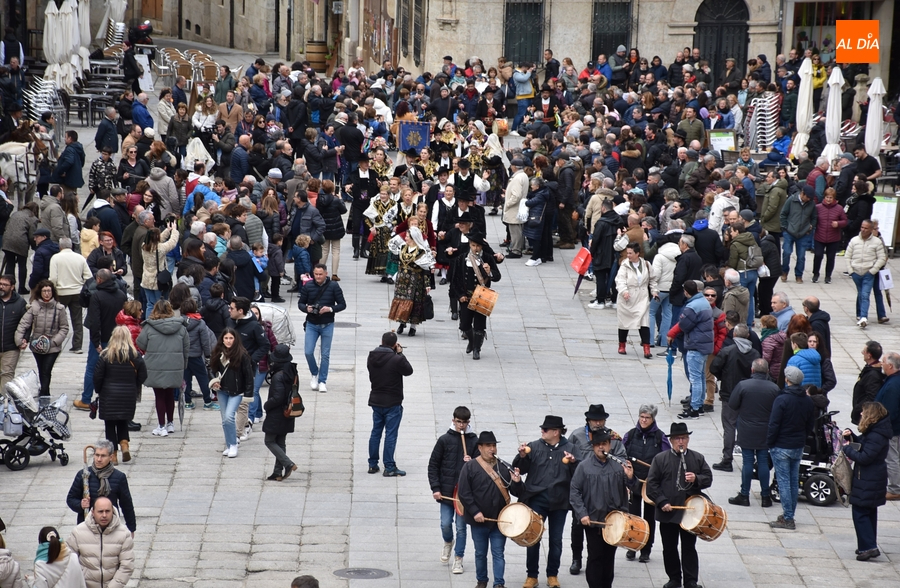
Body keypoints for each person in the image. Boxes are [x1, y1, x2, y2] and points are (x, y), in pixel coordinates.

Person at [645, 422, 713, 588]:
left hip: (690, 512)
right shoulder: (660, 459)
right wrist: (662, 501)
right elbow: (651, 484)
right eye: (676, 439)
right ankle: (674, 578)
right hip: (668, 511)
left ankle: (691, 580)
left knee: (689, 547)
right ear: (671, 441)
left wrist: (697, 478)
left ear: (688, 440)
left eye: (683, 438)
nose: (680, 442)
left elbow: (708, 477)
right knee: (669, 547)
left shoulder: (697, 458)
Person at [513, 415, 576, 588]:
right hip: (536, 500)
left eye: (545, 429)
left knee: (555, 540)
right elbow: (521, 470)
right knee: (533, 538)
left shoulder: (570, 449)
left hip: (559, 501)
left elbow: (578, 476)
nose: (542, 431)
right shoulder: (533, 447)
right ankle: (532, 575)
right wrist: (522, 456)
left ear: (556, 432)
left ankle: (552, 575)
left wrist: (572, 463)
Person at [569, 428, 637, 588]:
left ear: (610, 446)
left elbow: (634, 487)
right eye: (598, 444)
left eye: (604, 444)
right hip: (593, 520)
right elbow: (574, 491)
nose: (601, 448)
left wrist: (630, 477)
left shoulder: (618, 466)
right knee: (595, 556)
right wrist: (582, 514)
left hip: (614, 521)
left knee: (609, 557)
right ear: (593, 447)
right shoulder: (584, 467)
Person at [456, 430, 523, 588]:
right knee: (480, 553)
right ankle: (482, 581)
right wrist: (475, 512)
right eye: (488, 446)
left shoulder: (504, 466)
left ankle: (499, 583)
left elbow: (517, 492)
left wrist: (517, 481)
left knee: (498, 553)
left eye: (493, 445)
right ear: (480, 447)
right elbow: (464, 493)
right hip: (479, 520)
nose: (492, 449)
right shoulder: (470, 467)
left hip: (499, 520)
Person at [428, 406, 478, 572]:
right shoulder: (444, 440)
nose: (461, 425)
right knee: (445, 524)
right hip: (447, 492)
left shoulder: (473, 441)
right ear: (453, 420)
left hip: (464, 494)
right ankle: (448, 542)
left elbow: (482, 466)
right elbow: (433, 465)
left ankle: (458, 558)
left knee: (461, 528)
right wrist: (435, 488)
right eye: (458, 422)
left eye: (464, 422)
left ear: (468, 422)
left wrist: (472, 462)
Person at [767, 366, 816, 529]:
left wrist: (770, 442)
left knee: (784, 482)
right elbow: (810, 424)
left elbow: (774, 424)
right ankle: (790, 514)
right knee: (793, 480)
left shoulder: (782, 399)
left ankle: (788, 517)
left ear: (787, 380)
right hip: (797, 445)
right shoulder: (807, 400)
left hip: (781, 445)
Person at [842, 402, 892, 560]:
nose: (861, 414)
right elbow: (865, 446)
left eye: (864, 412)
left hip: (869, 477)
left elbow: (865, 457)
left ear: (871, 415)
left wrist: (848, 449)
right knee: (868, 511)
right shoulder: (875, 432)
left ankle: (868, 547)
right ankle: (867, 544)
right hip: (872, 477)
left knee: (860, 512)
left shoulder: (876, 435)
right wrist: (853, 437)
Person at [727, 358, 779, 507]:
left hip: (746, 428)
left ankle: (744, 495)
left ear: (752, 370)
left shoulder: (743, 385)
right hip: (765, 429)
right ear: (767, 371)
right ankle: (765, 496)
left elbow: (732, 404)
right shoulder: (774, 388)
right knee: (763, 461)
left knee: (747, 461)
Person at [621, 405, 669, 563]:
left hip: (650, 485)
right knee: (633, 517)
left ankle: (646, 549)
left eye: (647, 417)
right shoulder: (631, 434)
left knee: (649, 518)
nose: (643, 420)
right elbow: (622, 455)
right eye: (641, 416)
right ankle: (632, 545)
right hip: (634, 482)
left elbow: (666, 461)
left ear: (653, 419)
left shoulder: (660, 437)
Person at [92, 326, 147, 463]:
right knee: (123, 420)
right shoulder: (135, 355)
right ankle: (124, 444)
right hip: (128, 394)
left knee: (109, 424)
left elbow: (97, 377)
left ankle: (113, 455)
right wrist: (134, 385)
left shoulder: (106, 355)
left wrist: (99, 390)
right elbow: (144, 375)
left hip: (109, 395)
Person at [709, 324, 760, 472]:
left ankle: (727, 459)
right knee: (748, 426)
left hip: (729, 393)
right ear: (748, 336)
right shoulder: (755, 354)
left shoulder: (727, 351)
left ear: (734, 335)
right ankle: (750, 459)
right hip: (749, 394)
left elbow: (714, 368)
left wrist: (723, 377)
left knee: (729, 426)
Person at [136, 300, 189, 437]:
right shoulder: (180, 327)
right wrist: (183, 365)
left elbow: (140, 343)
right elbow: (186, 347)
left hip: (155, 365)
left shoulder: (149, 327)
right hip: (174, 365)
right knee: (170, 394)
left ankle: (161, 425)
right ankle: (170, 423)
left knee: (159, 395)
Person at [76, 269, 126, 411]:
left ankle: (86, 399)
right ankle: (113, 398)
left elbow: (95, 321)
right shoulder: (121, 295)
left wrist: (96, 342)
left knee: (92, 368)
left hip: (102, 339)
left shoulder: (97, 296)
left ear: (98, 280)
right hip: (117, 338)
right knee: (115, 369)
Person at [367, 331, 414, 477]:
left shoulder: (371, 356)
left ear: (381, 341)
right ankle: (389, 466)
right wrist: (400, 354)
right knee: (390, 434)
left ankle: (372, 464)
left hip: (376, 400)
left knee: (376, 433)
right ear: (395, 344)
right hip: (392, 402)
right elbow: (408, 371)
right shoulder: (396, 359)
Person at [65, 439, 136, 533]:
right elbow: (71, 499)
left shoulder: (119, 477)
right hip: (87, 527)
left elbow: (127, 504)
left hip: (111, 527)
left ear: (111, 457)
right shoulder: (83, 475)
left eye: (103, 456)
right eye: (97, 455)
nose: (99, 459)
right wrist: (80, 504)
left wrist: (131, 529)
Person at [449, 233, 501, 360]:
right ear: (470, 245)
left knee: (479, 324)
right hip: (466, 297)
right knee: (464, 324)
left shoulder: (487, 258)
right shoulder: (462, 259)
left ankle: (477, 348)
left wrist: (490, 272)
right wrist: (460, 295)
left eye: (478, 246)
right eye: (473, 245)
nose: (476, 248)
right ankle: (471, 341)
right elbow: (455, 279)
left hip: (482, 295)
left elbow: (498, 276)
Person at [15, 279, 69, 397]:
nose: (47, 293)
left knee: (46, 370)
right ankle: (45, 392)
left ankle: (44, 392)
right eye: (44, 291)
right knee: (41, 369)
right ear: (40, 292)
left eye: (49, 291)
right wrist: (19, 340)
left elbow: (64, 328)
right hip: (37, 345)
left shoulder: (60, 308)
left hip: (53, 346)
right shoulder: (34, 307)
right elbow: (24, 323)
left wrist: (54, 341)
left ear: (53, 292)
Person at [669, 280, 714, 419]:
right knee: (700, 376)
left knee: (695, 378)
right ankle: (699, 405)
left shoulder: (692, 306)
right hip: (704, 344)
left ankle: (694, 409)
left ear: (686, 292)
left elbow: (684, 324)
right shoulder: (703, 302)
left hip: (695, 344)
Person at [66, 497, 135, 588]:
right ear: (93, 512)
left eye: (107, 511)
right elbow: (68, 561)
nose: (104, 515)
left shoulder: (124, 533)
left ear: (113, 511)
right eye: (100, 511)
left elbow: (127, 566)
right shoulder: (78, 532)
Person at [298, 264, 346, 392]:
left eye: (320, 274)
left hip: (327, 324)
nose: (318, 277)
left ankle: (322, 380)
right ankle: (314, 373)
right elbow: (301, 303)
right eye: (316, 274)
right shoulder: (308, 286)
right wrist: (306, 308)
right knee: (308, 351)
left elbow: (342, 304)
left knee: (325, 355)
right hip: (312, 324)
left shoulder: (333, 286)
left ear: (326, 273)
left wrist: (330, 309)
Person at [209, 327, 254, 458]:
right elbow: (211, 369)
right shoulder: (217, 352)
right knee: (225, 420)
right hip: (222, 390)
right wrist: (214, 381)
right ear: (222, 340)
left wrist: (247, 395)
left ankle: (233, 444)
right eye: (226, 338)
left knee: (229, 416)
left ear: (235, 339)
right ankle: (229, 444)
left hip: (237, 391)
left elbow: (248, 376)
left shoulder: (242, 355)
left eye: (231, 338)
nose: (228, 341)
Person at [263, 344, 300, 481]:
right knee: (280, 441)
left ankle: (288, 464)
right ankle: (277, 472)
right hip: (288, 412)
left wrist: (267, 405)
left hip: (277, 413)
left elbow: (277, 397)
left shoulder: (279, 376)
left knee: (269, 440)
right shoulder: (292, 371)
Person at [388, 226, 435, 336]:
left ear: (414, 238)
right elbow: (391, 246)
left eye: (408, 237)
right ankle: (401, 322)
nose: (406, 239)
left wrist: (427, 284)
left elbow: (425, 270)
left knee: (414, 303)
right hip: (402, 281)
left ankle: (413, 327)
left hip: (415, 282)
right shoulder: (403, 247)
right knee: (401, 301)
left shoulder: (421, 252)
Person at [615, 242, 658, 358]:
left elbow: (653, 279)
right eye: (627, 253)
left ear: (637, 253)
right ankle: (622, 345)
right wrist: (624, 291)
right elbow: (620, 280)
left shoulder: (646, 264)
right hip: (627, 297)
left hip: (642, 296)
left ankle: (646, 348)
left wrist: (654, 291)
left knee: (644, 322)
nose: (628, 255)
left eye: (630, 253)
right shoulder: (624, 265)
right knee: (624, 322)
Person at [49, 237, 92, 354]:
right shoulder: (80, 258)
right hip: (77, 292)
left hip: (61, 292)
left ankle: (56, 344)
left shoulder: (55, 258)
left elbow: (53, 278)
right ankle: (77, 346)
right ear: (71, 246)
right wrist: (82, 285)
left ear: (60, 246)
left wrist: (53, 289)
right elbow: (88, 276)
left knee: (57, 319)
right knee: (77, 320)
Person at [846, 219, 887, 329]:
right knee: (861, 293)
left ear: (871, 229)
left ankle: (863, 317)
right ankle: (859, 314)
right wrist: (851, 271)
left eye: (866, 228)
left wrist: (873, 270)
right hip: (856, 272)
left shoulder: (877, 242)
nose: (863, 230)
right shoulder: (854, 241)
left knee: (865, 294)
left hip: (869, 273)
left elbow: (882, 258)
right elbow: (847, 256)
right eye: (862, 227)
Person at [139, 220, 180, 318]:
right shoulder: (160, 248)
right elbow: (172, 242)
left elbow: (157, 239)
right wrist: (174, 230)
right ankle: (159, 321)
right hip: (158, 281)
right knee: (160, 305)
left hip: (146, 280)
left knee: (150, 304)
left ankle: (149, 322)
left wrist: (167, 230)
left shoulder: (144, 246)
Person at [779, 184, 817, 283]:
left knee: (801, 256)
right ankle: (784, 272)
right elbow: (783, 214)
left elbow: (814, 217)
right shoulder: (791, 200)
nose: (808, 199)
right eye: (807, 197)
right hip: (789, 232)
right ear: (802, 194)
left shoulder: (811, 204)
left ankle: (799, 275)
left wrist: (811, 227)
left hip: (803, 233)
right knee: (786, 253)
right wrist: (785, 227)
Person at [0, 274, 26, 392]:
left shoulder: (20, 302)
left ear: (12, 287)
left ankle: (2, 403)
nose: (1, 287)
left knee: (7, 374)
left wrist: (24, 338)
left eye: (5, 285)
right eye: (0, 284)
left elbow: (27, 323)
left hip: (11, 346)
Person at [852, 341, 885, 425]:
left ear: (869, 355)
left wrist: (858, 408)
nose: (862, 353)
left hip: (866, 416)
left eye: (864, 351)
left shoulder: (873, 375)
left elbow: (871, 396)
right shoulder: (869, 369)